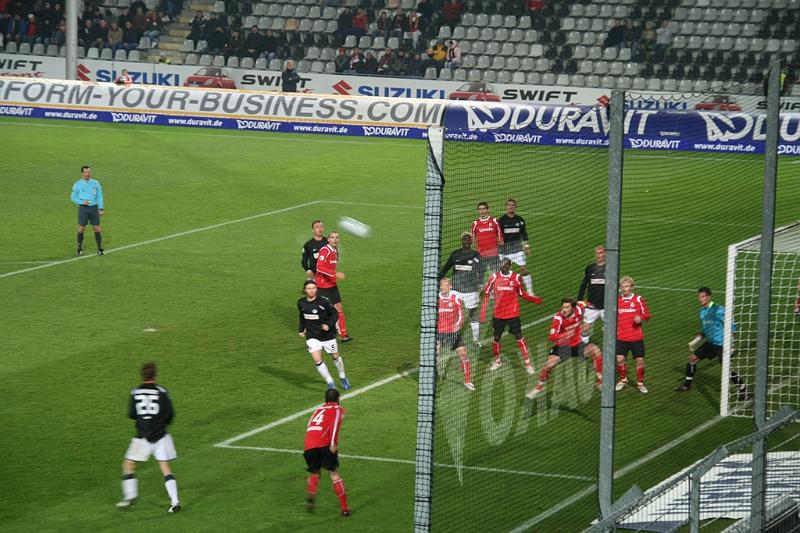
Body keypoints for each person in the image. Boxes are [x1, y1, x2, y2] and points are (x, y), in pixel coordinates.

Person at [116, 362, 180, 512]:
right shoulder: (162, 391)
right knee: (165, 467)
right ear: (155, 375)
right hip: (161, 436)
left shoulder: (135, 392)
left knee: (129, 465)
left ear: (142, 376)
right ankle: (175, 502)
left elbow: (131, 414)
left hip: (142, 438)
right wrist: (162, 424)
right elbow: (170, 414)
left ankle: (130, 497)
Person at [675, 287, 749, 398]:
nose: (700, 299)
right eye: (699, 296)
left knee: (727, 369)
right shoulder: (702, 312)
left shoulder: (718, 309)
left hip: (722, 345)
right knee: (692, 359)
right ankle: (687, 385)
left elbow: (732, 325)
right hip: (710, 344)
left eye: (703, 296)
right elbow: (705, 331)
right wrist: (694, 341)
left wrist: (731, 344)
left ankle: (744, 391)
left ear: (708, 297)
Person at [527, 298, 603, 398]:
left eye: (567, 307)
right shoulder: (558, 318)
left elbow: (584, 303)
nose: (564, 309)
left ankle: (599, 381)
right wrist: (566, 335)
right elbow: (552, 337)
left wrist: (591, 306)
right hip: (563, 348)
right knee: (548, 366)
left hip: (578, 346)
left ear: (573, 308)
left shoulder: (579, 310)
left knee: (596, 351)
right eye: (563, 307)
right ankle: (539, 387)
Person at [480, 258, 543, 373]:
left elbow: (521, 293)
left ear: (510, 265)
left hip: (512, 313)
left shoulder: (516, 277)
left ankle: (528, 364)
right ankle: (497, 361)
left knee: (519, 336)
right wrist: (483, 313)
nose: (503, 266)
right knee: (496, 338)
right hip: (498, 314)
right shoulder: (493, 277)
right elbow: (486, 294)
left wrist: (534, 299)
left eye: (506, 265)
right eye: (502, 264)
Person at [304, 388, 351, 516]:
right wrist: (333, 443)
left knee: (315, 472)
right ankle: (345, 509)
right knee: (334, 474)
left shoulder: (318, 410)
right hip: (325, 444)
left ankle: (311, 496)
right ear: (337, 399)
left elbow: (309, 425)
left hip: (309, 445)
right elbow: (335, 424)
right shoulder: (337, 409)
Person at [298, 280, 350, 390]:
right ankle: (330, 382)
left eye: (313, 288)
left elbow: (334, 313)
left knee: (335, 357)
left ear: (316, 289)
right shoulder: (301, 303)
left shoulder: (323, 302)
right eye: (309, 288)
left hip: (327, 335)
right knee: (317, 360)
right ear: (304, 290)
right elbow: (302, 316)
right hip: (312, 336)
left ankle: (342, 376)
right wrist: (301, 329)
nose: (311, 290)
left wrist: (328, 324)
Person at [439, 232, 482, 345]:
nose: (466, 241)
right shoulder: (455, 254)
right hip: (455, 290)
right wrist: (438, 278)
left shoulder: (476, 255)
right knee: (450, 312)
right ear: (461, 241)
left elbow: (481, 271)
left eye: (468, 239)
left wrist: (480, 284)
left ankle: (475, 339)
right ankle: (447, 335)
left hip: (470, 290)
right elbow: (446, 267)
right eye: (464, 239)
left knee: (473, 313)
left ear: (471, 241)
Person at [614, 276, 650, 393]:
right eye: (623, 286)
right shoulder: (616, 300)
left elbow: (647, 315)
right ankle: (623, 380)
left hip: (636, 337)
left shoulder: (638, 299)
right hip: (621, 337)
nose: (625, 289)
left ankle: (640, 383)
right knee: (619, 359)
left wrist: (641, 317)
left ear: (632, 287)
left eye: (627, 286)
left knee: (639, 360)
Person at [438, 277, 474, 391]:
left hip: (453, 333)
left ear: (450, 286)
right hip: (440, 333)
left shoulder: (455, 299)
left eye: (445, 285)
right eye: (441, 285)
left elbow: (461, 316)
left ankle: (467, 381)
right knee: (434, 355)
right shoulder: (436, 300)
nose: (443, 287)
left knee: (463, 355)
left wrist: (457, 325)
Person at [315, 231, 351, 342]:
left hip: (331, 285)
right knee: (324, 312)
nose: (335, 239)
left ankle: (343, 334)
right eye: (332, 237)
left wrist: (333, 277)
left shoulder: (335, 251)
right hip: (323, 286)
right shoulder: (325, 250)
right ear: (328, 239)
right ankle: (315, 335)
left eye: (337, 237)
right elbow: (319, 267)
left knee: (339, 308)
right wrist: (335, 274)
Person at [497, 198, 534, 295]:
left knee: (524, 269)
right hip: (504, 250)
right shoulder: (501, 220)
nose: (511, 207)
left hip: (517, 249)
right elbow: (497, 235)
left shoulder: (520, 220)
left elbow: (524, 234)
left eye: (513, 205)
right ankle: (500, 290)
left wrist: (526, 246)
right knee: (502, 271)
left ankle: (530, 291)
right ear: (506, 207)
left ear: (516, 207)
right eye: (509, 205)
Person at [70, 165, 105, 256]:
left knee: (97, 228)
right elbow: (73, 197)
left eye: (89, 172)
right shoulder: (77, 184)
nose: (87, 174)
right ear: (82, 173)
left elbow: (99, 196)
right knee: (81, 228)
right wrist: (81, 201)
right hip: (83, 208)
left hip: (93, 207)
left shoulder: (95, 183)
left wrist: (100, 208)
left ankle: (100, 249)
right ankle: (79, 248)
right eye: (85, 172)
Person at [577, 245, 606, 344]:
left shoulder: (611, 268)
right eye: (597, 253)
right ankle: (584, 348)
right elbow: (584, 284)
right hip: (592, 305)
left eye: (601, 253)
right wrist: (579, 300)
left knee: (613, 328)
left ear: (605, 253)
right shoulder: (590, 268)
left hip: (607, 306)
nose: (599, 255)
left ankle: (613, 348)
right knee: (585, 328)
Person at [471, 201, 503, 281]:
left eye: (484, 209)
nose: (482, 211)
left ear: (487, 210)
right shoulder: (475, 223)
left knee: (496, 276)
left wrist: (499, 250)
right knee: (480, 276)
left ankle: (494, 292)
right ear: (478, 211)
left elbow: (500, 237)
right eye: (480, 209)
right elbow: (473, 239)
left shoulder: (494, 221)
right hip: (481, 254)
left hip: (493, 254)